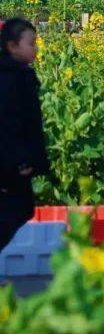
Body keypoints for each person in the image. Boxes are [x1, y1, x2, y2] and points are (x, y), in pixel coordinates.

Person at [0, 18, 50, 254]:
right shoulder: (15, 78)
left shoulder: (17, 74)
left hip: (13, 159)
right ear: (12, 46)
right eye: (31, 43)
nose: (36, 48)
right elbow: (13, 123)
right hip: (11, 160)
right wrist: (20, 160)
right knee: (18, 209)